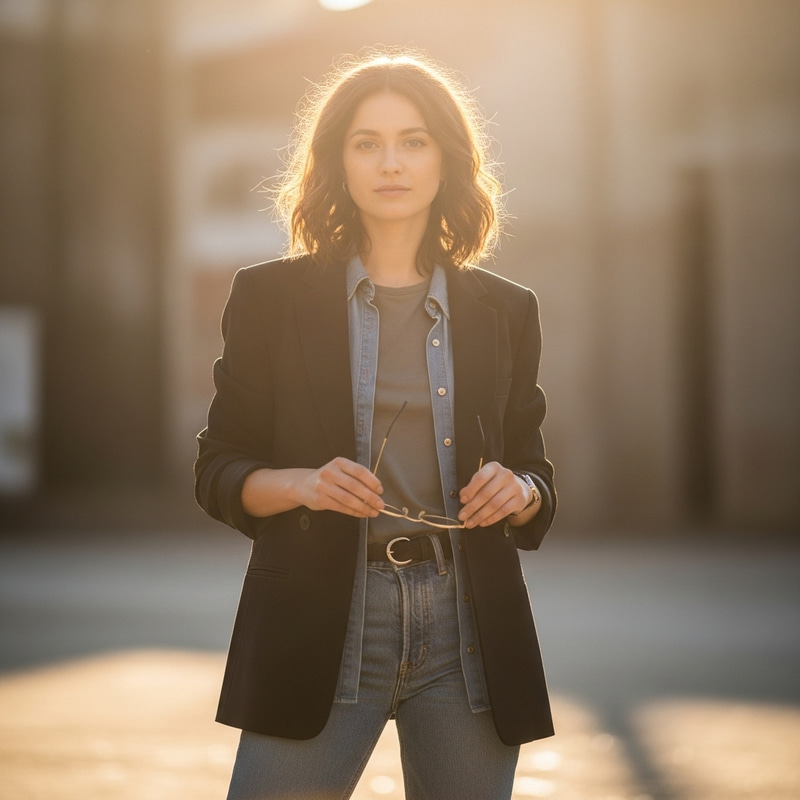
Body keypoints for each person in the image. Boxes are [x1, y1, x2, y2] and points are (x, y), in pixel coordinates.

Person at [194, 49, 557, 800]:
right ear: (338, 162)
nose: (390, 162)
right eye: (367, 142)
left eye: (413, 140)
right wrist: (304, 483)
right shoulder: (269, 298)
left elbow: (538, 479)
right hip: (324, 620)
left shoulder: (506, 309)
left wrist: (517, 490)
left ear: (446, 159)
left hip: (468, 632)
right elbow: (218, 470)